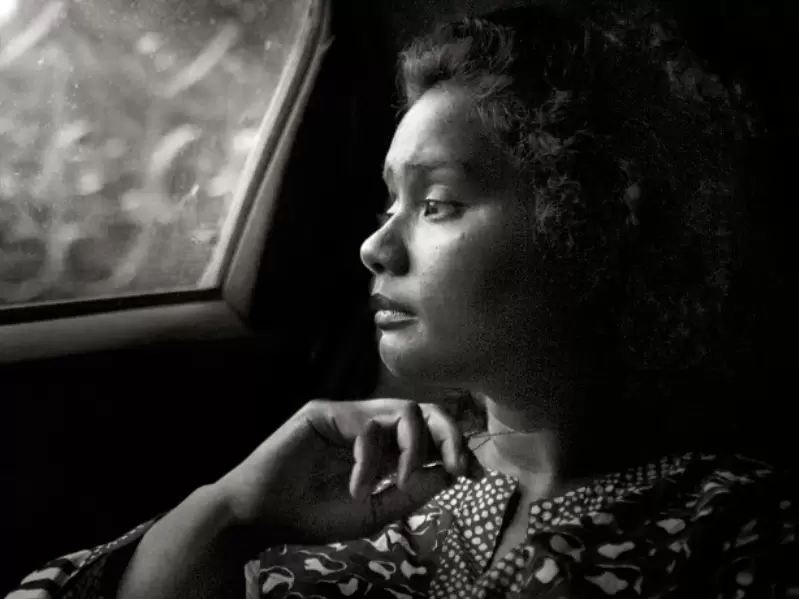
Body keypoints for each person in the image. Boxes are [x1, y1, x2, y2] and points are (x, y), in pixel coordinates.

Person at [5, 2, 795, 598]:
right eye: (390, 202)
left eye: (437, 203)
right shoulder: (335, 487)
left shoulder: (736, 529)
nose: (375, 248)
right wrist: (230, 509)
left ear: (588, 224)